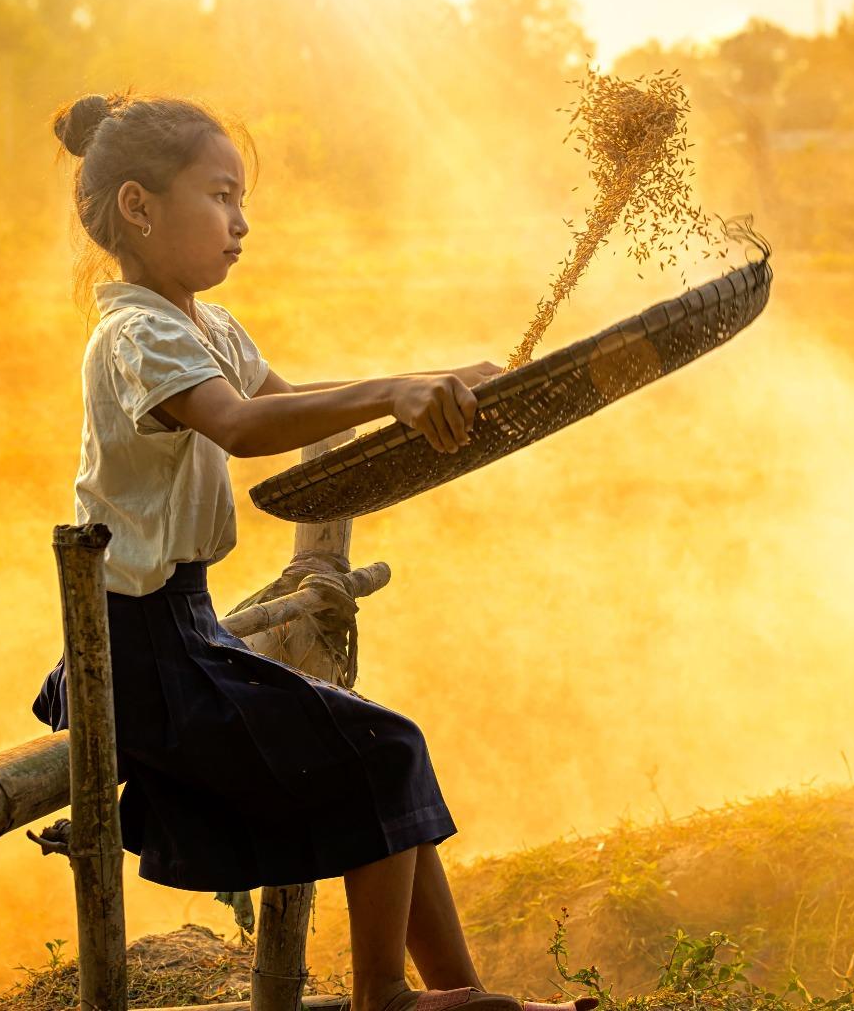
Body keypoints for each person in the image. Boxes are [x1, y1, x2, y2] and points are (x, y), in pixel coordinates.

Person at [30, 90, 595, 1011]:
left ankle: (461, 995)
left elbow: (295, 407)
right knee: (386, 749)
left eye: (241, 200)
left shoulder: (207, 326)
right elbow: (244, 425)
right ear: (138, 206)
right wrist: (397, 390)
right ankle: (384, 997)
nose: (241, 223)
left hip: (188, 630)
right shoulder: (135, 333)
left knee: (383, 758)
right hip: (140, 652)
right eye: (220, 196)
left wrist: (434, 386)